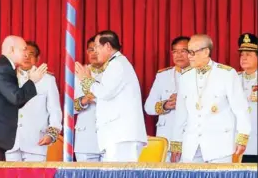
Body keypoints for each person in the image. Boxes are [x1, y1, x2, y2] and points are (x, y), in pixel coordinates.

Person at [170, 34, 251, 163]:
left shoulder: (227, 74)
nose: (188, 56)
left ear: (206, 52)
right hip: (191, 146)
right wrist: (176, 142)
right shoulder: (185, 77)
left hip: (219, 146)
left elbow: (240, 109)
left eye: (192, 52)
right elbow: (181, 113)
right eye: (187, 52)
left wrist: (242, 137)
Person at [0, 36, 48, 161]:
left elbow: (16, 100)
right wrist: (32, 80)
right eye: (23, 49)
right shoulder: (2, 68)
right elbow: (16, 97)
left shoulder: (5, 67)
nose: (26, 54)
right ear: (12, 50)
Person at [75, 30, 148, 162]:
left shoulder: (117, 64)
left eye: (96, 47)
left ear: (107, 46)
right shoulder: (116, 63)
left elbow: (104, 93)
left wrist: (85, 79)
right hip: (118, 135)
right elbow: (105, 96)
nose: (95, 51)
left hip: (122, 136)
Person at [5, 41, 62, 161]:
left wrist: (51, 135)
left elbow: (55, 110)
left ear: (37, 58)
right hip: (10, 142)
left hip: (36, 142)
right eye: (24, 54)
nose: (27, 57)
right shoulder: (7, 78)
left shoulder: (47, 80)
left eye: (31, 54)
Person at [144, 36, 190, 162]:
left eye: (183, 51)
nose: (178, 55)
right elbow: (148, 107)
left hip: (190, 139)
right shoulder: (163, 76)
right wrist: (165, 105)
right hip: (166, 138)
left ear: (192, 53)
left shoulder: (200, 75)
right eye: (175, 51)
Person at [74, 36, 104, 162]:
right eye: (90, 50)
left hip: (108, 138)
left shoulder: (113, 71)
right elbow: (70, 108)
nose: (93, 53)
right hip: (85, 138)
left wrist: (96, 95)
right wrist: (83, 101)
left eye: (96, 50)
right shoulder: (78, 73)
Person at [237, 33, 258, 163]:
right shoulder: (233, 79)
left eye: (248, 55)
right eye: (242, 55)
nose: (244, 58)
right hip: (238, 142)